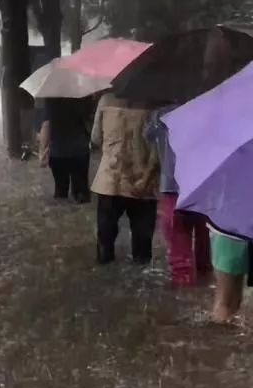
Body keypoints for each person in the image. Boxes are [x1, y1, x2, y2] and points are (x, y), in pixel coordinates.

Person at [145, 105, 212, 286]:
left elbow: (148, 137)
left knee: (179, 255)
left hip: (172, 191)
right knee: (205, 250)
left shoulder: (160, 114)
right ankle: (205, 290)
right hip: (202, 188)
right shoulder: (209, 109)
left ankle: (184, 290)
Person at [91, 91, 159, 264]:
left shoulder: (106, 100)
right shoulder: (155, 104)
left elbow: (96, 138)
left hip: (109, 180)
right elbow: (159, 146)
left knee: (105, 239)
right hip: (143, 182)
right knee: (142, 246)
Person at [38, 98, 91, 203]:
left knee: (60, 189)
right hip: (79, 150)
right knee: (81, 189)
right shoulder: (81, 97)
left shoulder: (51, 100)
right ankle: (80, 196)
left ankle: (62, 203)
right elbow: (88, 122)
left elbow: (46, 125)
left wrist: (42, 151)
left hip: (58, 151)